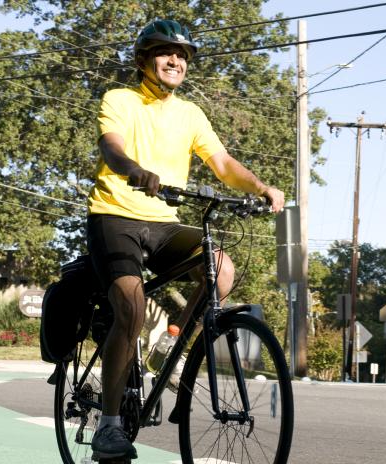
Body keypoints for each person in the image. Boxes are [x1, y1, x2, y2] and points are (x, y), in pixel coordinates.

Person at [86, 19, 285, 461]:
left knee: (222, 270)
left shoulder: (190, 113)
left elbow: (223, 162)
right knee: (131, 309)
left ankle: (170, 348)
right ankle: (110, 424)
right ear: (144, 60)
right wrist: (132, 169)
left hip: (164, 222)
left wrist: (259, 187)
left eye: (182, 56)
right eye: (164, 53)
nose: (175, 61)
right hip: (115, 217)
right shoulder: (120, 99)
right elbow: (111, 147)